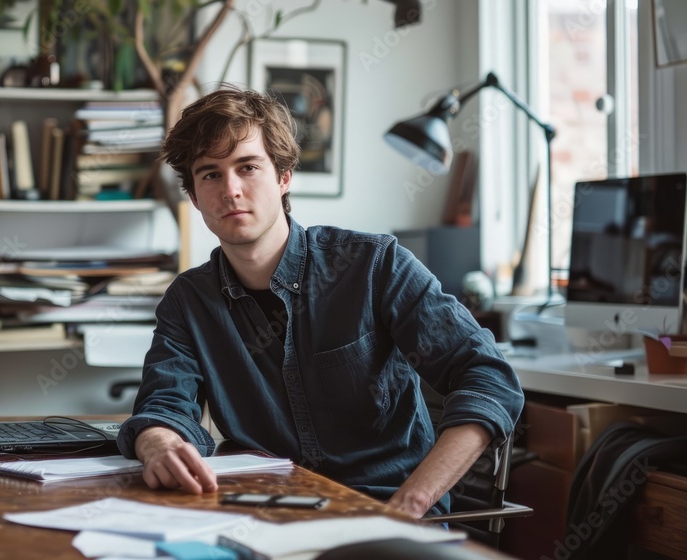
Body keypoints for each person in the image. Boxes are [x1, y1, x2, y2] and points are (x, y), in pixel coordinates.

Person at [115, 88, 524, 518]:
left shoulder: (374, 266)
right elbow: (164, 406)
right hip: (263, 514)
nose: (231, 190)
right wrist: (159, 444)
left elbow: (489, 377)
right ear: (195, 197)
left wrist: (414, 499)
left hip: (384, 513)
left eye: (248, 167)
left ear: (284, 177)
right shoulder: (188, 301)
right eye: (210, 174)